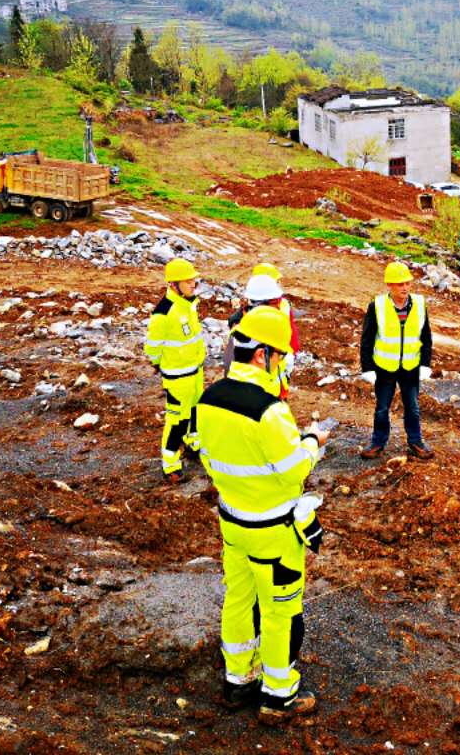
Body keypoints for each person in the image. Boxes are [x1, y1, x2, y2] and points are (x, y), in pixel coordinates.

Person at [196, 305, 330, 723]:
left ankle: (238, 680)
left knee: (238, 601)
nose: (283, 366)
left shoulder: (209, 398)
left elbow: (207, 455)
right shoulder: (269, 411)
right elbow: (294, 468)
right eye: (281, 357)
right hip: (274, 531)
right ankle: (278, 693)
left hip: (232, 523)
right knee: (280, 612)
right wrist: (312, 441)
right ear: (262, 355)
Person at [358, 261, 434, 460]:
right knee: (382, 408)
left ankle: (416, 442)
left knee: (413, 407)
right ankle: (378, 442)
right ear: (389, 285)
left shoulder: (418, 304)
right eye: (400, 284)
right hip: (385, 368)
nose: (405, 288)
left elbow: (426, 337)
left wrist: (425, 363)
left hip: (410, 367)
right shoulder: (377, 305)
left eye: (407, 283)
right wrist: (367, 368)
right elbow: (367, 338)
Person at [143, 258, 206, 485]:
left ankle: (193, 441)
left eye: (193, 279)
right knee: (177, 420)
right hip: (178, 376)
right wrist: (159, 363)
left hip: (195, 370)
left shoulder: (188, 304)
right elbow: (152, 348)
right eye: (188, 280)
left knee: (196, 410)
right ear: (174, 284)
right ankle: (170, 461)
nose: (193, 284)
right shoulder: (164, 313)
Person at [225, 271, 300, 398]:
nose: (278, 305)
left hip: (274, 391)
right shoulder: (241, 329)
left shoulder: (269, 321)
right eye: (274, 302)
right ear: (260, 303)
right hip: (254, 397)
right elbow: (232, 368)